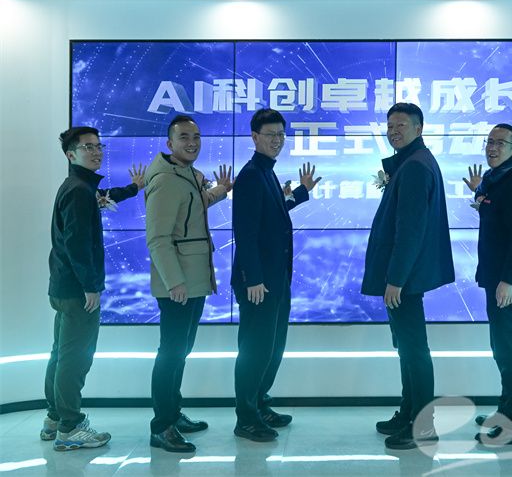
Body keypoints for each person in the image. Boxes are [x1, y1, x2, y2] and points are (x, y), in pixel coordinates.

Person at [43, 126, 144, 451]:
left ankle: (55, 418)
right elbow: (77, 244)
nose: (97, 151)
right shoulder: (78, 191)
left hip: (63, 287)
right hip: (77, 291)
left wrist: (132, 188)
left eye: (99, 146)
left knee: (61, 354)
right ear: (71, 154)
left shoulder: (80, 187)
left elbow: (102, 199)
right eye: (88, 147)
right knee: (75, 359)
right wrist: (90, 286)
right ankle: (70, 428)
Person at [362, 102, 455, 450]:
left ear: (419, 128)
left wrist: (396, 279)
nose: (393, 131)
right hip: (407, 276)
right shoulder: (412, 161)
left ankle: (423, 425)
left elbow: (410, 230)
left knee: (414, 349)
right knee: (407, 347)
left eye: (401, 125)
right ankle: (408, 412)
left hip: (406, 279)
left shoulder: (415, 166)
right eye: (389, 126)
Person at [231, 108, 321, 442]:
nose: (277, 140)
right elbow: (245, 231)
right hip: (259, 281)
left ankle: (259, 403)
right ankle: (246, 417)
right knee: (255, 349)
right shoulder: (251, 175)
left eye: (281, 134)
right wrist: (253, 277)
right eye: (271, 135)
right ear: (255, 137)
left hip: (275, 277)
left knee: (273, 346)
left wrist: (301, 191)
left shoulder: (266, 171)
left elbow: (274, 211)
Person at [145, 115, 233, 453]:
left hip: (193, 280)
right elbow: (158, 238)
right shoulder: (166, 180)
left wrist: (220, 191)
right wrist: (174, 282)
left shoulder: (185, 174)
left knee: (179, 352)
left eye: (196, 136)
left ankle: (173, 413)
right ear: (170, 144)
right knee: (171, 354)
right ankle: (162, 426)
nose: (192, 142)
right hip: (179, 285)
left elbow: (195, 205)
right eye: (184, 137)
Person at [463, 123, 512, 446]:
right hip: (495, 277)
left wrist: (508, 280)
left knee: (509, 350)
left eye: (500, 143)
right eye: (489, 142)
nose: (492, 147)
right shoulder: (495, 179)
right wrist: (478, 192)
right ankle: (506, 409)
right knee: (501, 349)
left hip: (507, 282)